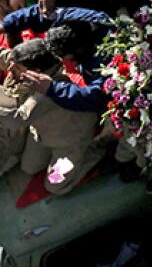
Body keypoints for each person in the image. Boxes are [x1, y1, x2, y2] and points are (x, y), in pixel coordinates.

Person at [4, 38, 105, 195]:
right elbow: (8, 58)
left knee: (55, 185)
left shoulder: (44, 96)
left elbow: (16, 119)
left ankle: (94, 150)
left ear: (35, 72)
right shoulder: (39, 67)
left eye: (16, 67)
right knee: (29, 168)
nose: (10, 68)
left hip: (68, 143)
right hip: (45, 134)